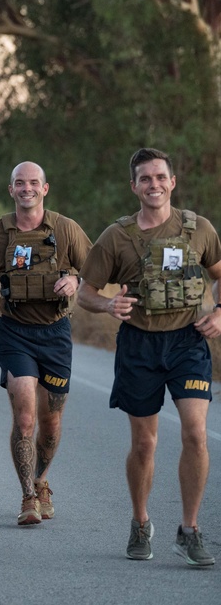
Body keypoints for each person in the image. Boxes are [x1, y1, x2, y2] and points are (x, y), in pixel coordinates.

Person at [77, 148, 221, 567]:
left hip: (189, 342)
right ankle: (140, 522)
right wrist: (107, 307)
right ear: (134, 186)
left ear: (172, 181)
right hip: (139, 345)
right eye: (145, 179)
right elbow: (86, 290)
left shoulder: (200, 229)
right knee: (145, 443)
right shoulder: (116, 237)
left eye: (160, 176)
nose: (154, 184)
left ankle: (189, 529)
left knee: (195, 433)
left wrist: (218, 312)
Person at [0, 162, 92, 526]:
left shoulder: (66, 229)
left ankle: (40, 481)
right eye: (19, 183)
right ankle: (27, 497)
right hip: (13, 331)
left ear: (45, 188)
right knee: (24, 417)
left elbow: (96, 272)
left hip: (55, 334)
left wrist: (75, 280)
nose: (26, 188)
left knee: (50, 424)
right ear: (11, 190)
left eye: (33, 182)